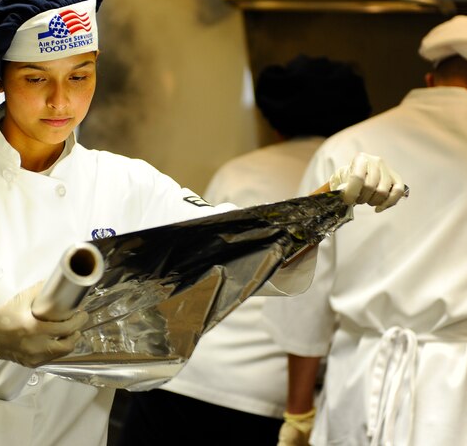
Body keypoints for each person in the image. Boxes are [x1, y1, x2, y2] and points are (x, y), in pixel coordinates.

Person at [0, 0, 405, 446]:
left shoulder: (127, 184)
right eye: (36, 79)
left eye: (80, 75)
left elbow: (238, 243)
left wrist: (328, 207)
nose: (61, 101)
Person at [263, 15, 467, 446]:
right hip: (461, 393)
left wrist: (299, 412)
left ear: (431, 80)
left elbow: (303, 294)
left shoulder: (344, 147)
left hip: (356, 382)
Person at [115, 54, 373, 446]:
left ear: (276, 120)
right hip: (264, 397)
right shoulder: (354, 192)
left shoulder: (238, 171)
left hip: (185, 379)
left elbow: (194, 273)